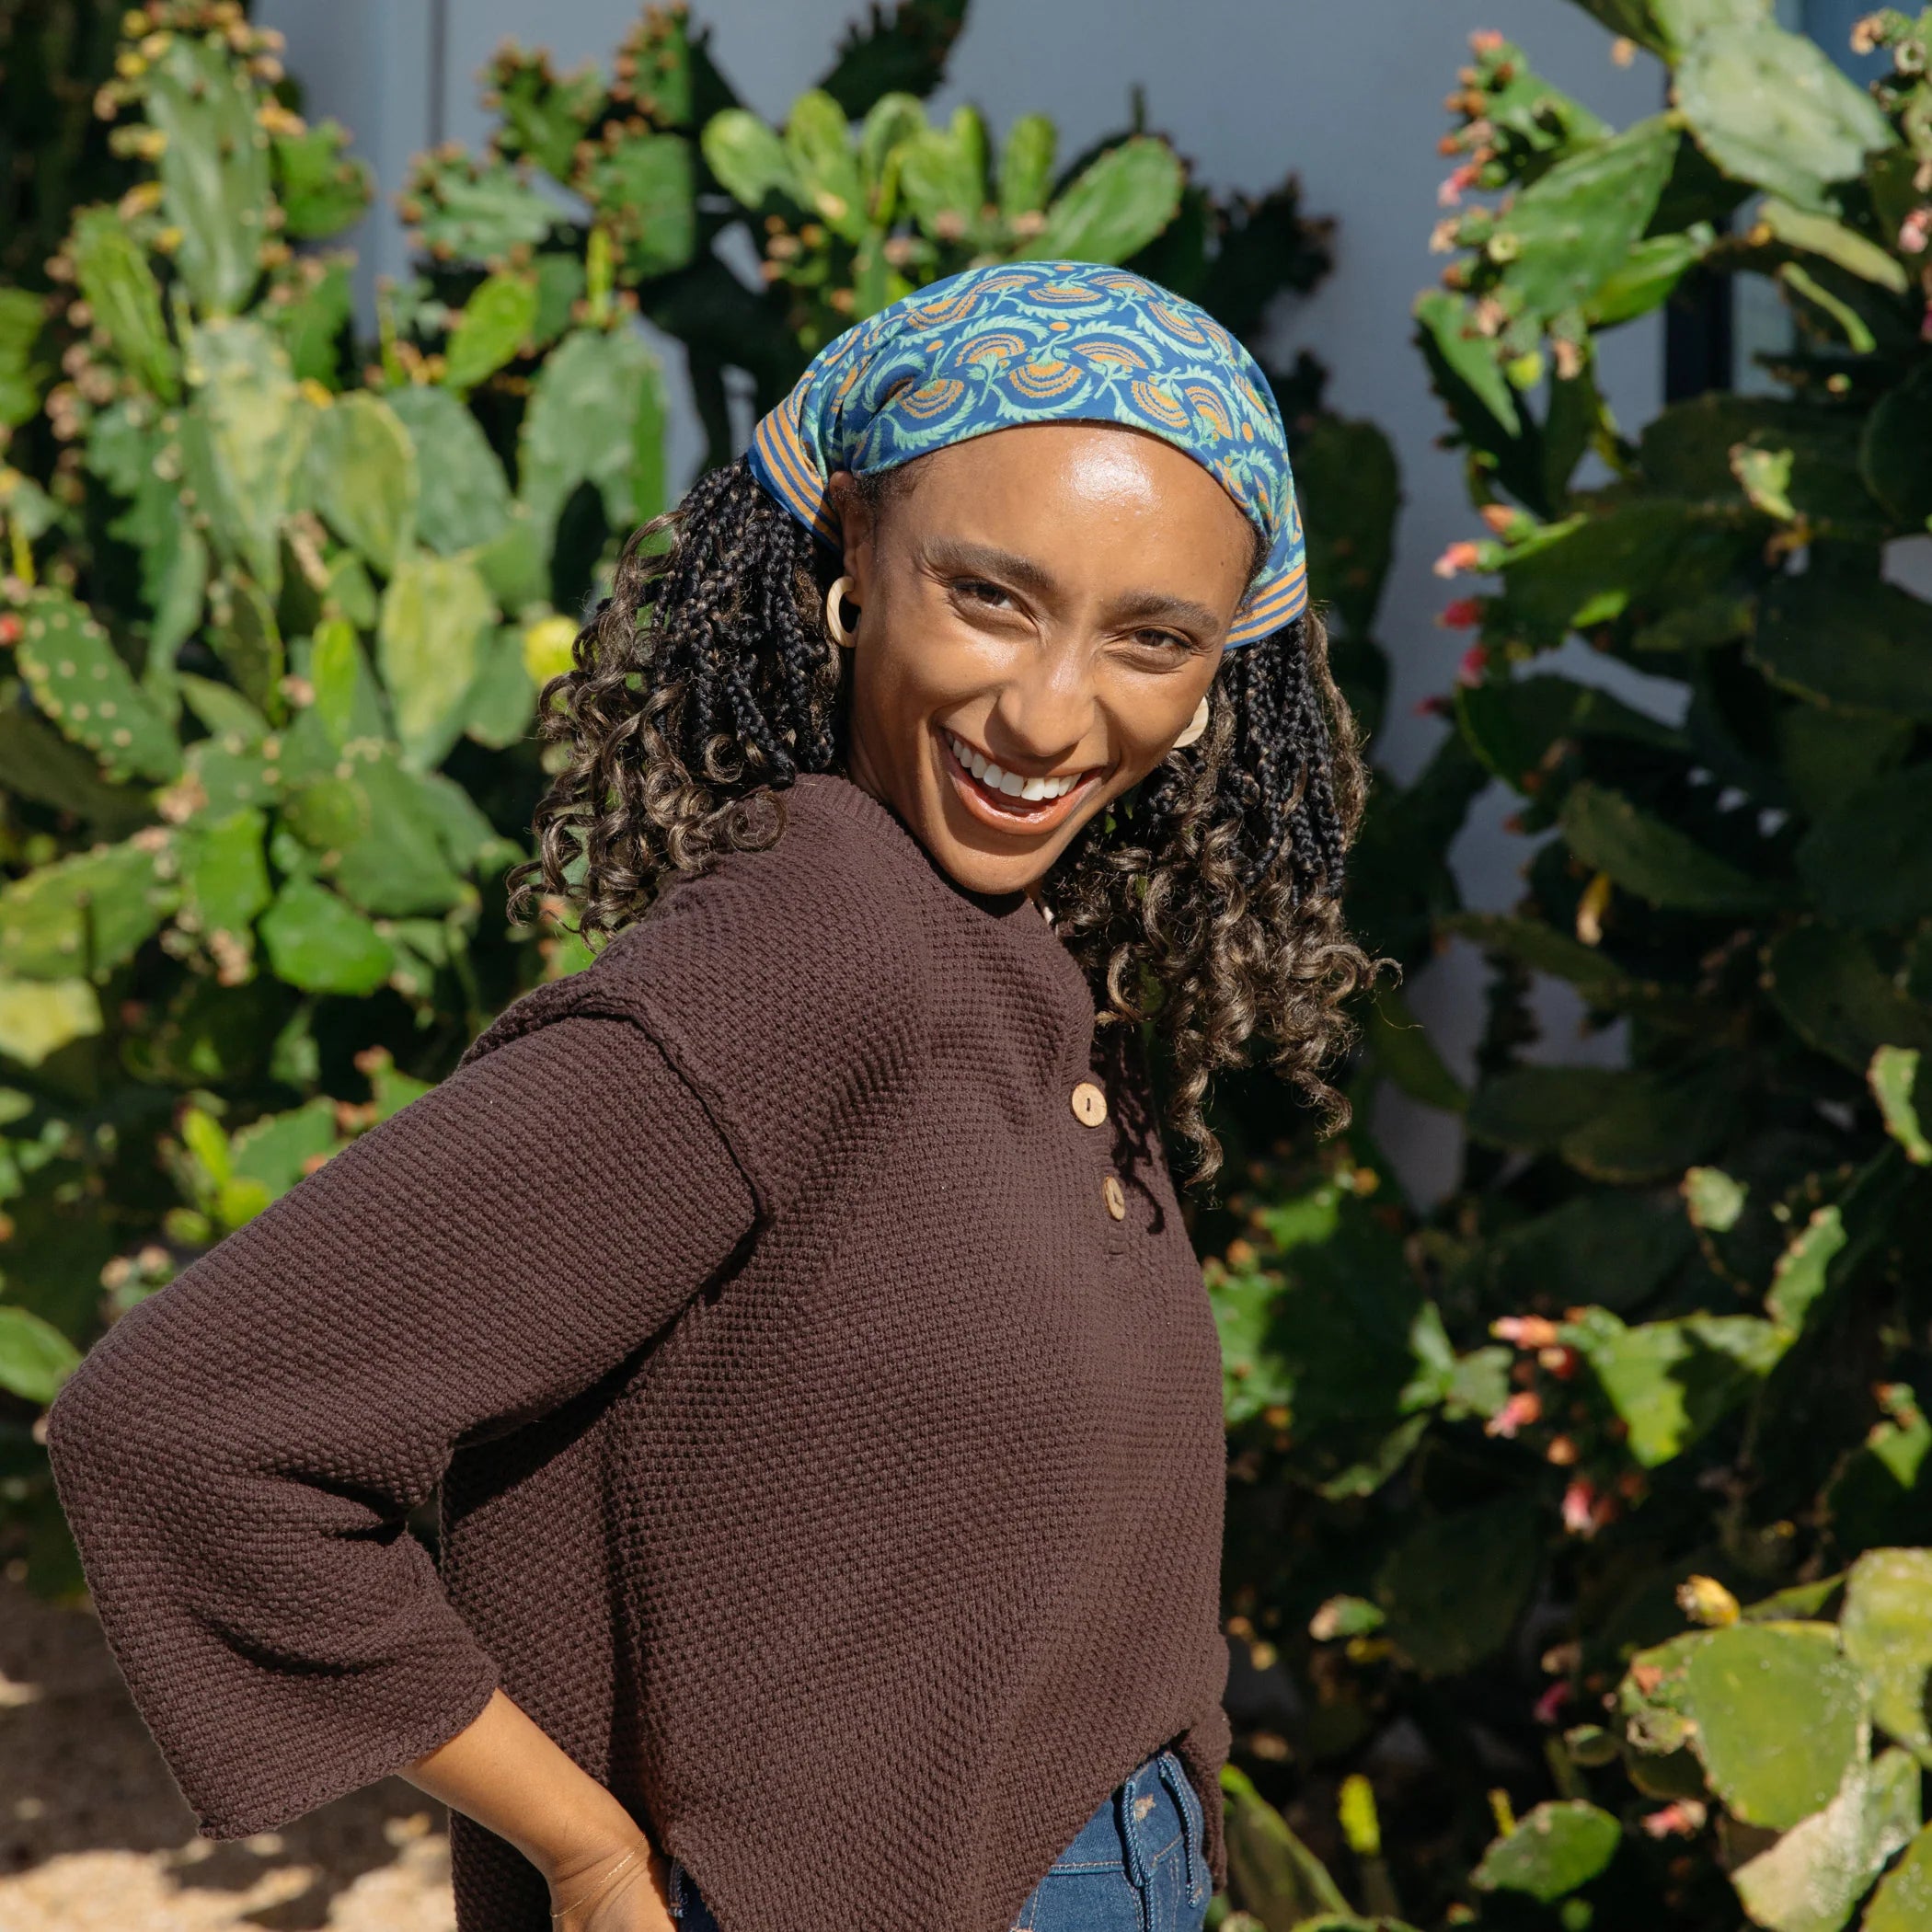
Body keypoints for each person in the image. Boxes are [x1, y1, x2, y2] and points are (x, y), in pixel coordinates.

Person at [44, 259, 1373, 1932]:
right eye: (989, 596)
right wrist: (587, 1856)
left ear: (1211, 693)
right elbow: (184, 1427)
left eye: (1151, 640)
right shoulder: (800, 967)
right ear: (849, 570)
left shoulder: (1000, 947)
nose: (1048, 712)